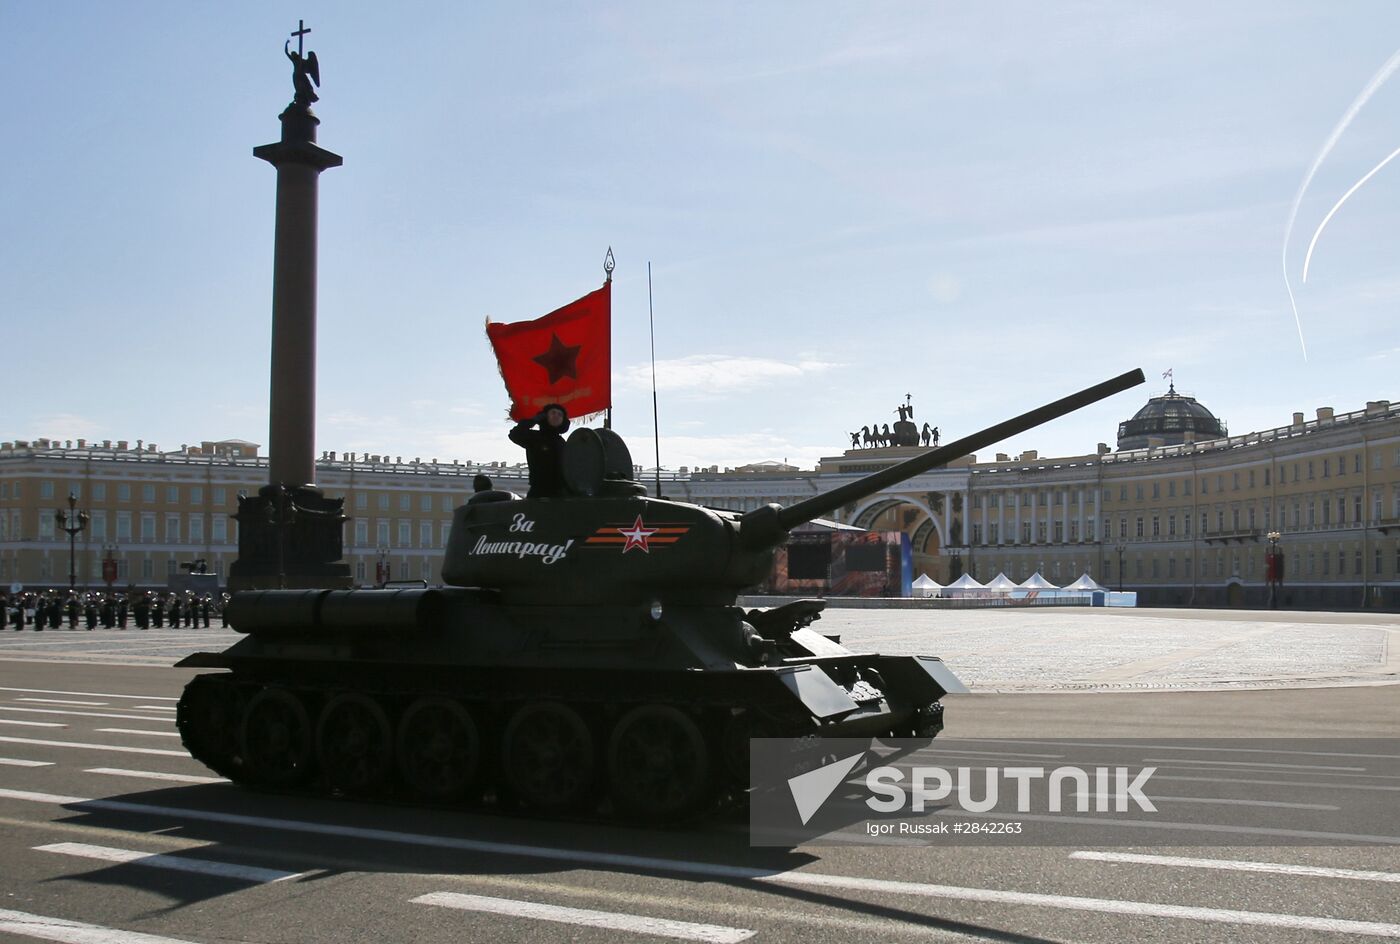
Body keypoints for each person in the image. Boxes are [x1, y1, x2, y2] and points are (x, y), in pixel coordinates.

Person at [508, 403, 571, 498]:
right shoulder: (534, 437)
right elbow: (515, 434)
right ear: (545, 416)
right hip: (539, 492)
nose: (556, 416)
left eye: (560, 414)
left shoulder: (562, 442)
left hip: (560, 493)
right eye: (553, 413)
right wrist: (533, 420)